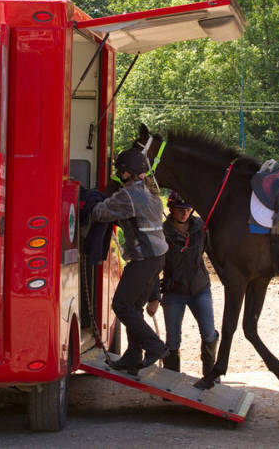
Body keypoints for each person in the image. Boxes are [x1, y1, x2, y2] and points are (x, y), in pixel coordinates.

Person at [91, 148, 169, 372]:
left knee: (121, 305)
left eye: (120, 171)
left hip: (143, 259)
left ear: (127, 173)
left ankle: (154, 346)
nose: (118, 174)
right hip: (156, 257)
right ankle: (133, 356)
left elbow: (101, 213)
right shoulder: (150, 192)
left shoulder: (129, 195)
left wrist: (87, 201)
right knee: (133, 307)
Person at [147, 191, 219, 377]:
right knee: (173, 341)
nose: (184, 213)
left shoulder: (201, 228)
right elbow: (155, 267)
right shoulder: (162, 233)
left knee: (209, 334)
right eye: (180, 210)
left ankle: (210, 378)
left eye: (187, 209)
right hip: (173, 292)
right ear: (171, 209)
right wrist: (154, 297)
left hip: (200, 289)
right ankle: (171, 382)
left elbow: (212, 252)